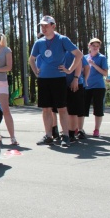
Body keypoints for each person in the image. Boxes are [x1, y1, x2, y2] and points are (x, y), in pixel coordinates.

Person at [29, 16, 83, 147]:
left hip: (58, 79)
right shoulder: (39, 42)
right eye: (42, 26)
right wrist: (36, 71)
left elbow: (79, 55)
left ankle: (65, 136)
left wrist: (69, 70)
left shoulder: (62, 39)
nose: (44, 28)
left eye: (46, 25)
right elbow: (31, 59)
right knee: (46, 109)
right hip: (43, 80)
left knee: (62, 108)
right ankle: (49, 136)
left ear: (53, 26)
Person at [78, 38, 108, 138]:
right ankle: (80, 129)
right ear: (89, 46)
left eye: (97, 46)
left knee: (98, 109)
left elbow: (105, 73)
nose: (95, 48)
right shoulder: (85, 57)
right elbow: (81, 71)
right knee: (82, 109)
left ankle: (96, 130)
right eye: (93, 46)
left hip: (99, 87)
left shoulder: (102, 58)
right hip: (86, 86)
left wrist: (94, 64)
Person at [59, 51, 90, 142]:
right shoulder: (56, 51)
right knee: (64, 110)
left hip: (75, 83)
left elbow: (85, 66)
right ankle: (66, 131)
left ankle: (73, 133)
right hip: (60, 83)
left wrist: (80, 79)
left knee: (74, 111)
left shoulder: (73, 51)